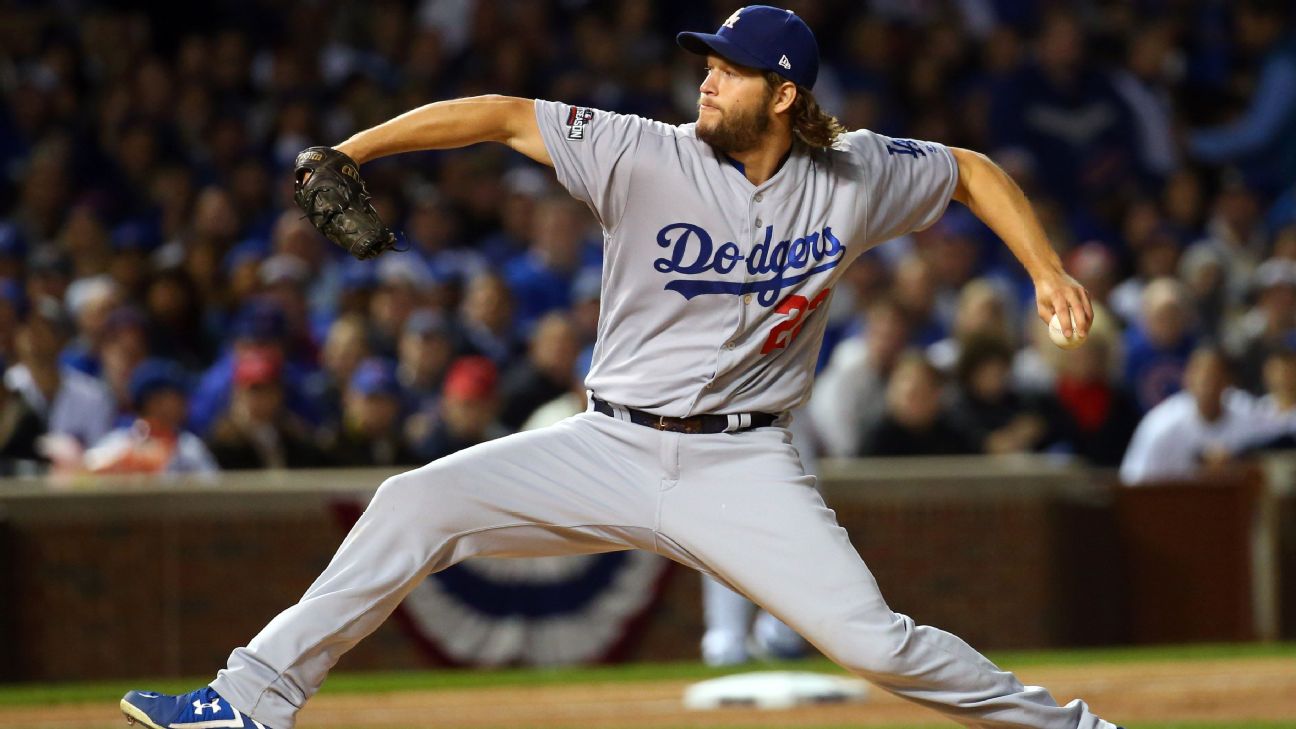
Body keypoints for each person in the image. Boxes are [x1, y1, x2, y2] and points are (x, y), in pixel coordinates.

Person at [121, 7, 1118, 729]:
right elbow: (502, 113)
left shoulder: (855, 174)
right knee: (412, 505)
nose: (704, 80)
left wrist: (1046, 270)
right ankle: (248, 700)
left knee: (876, 646)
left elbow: (971, 170)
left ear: (782, 94)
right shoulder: (643, 152)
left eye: (726, 69)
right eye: (705, 63)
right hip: (606, 443)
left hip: (744, 467)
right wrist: (352, 148)